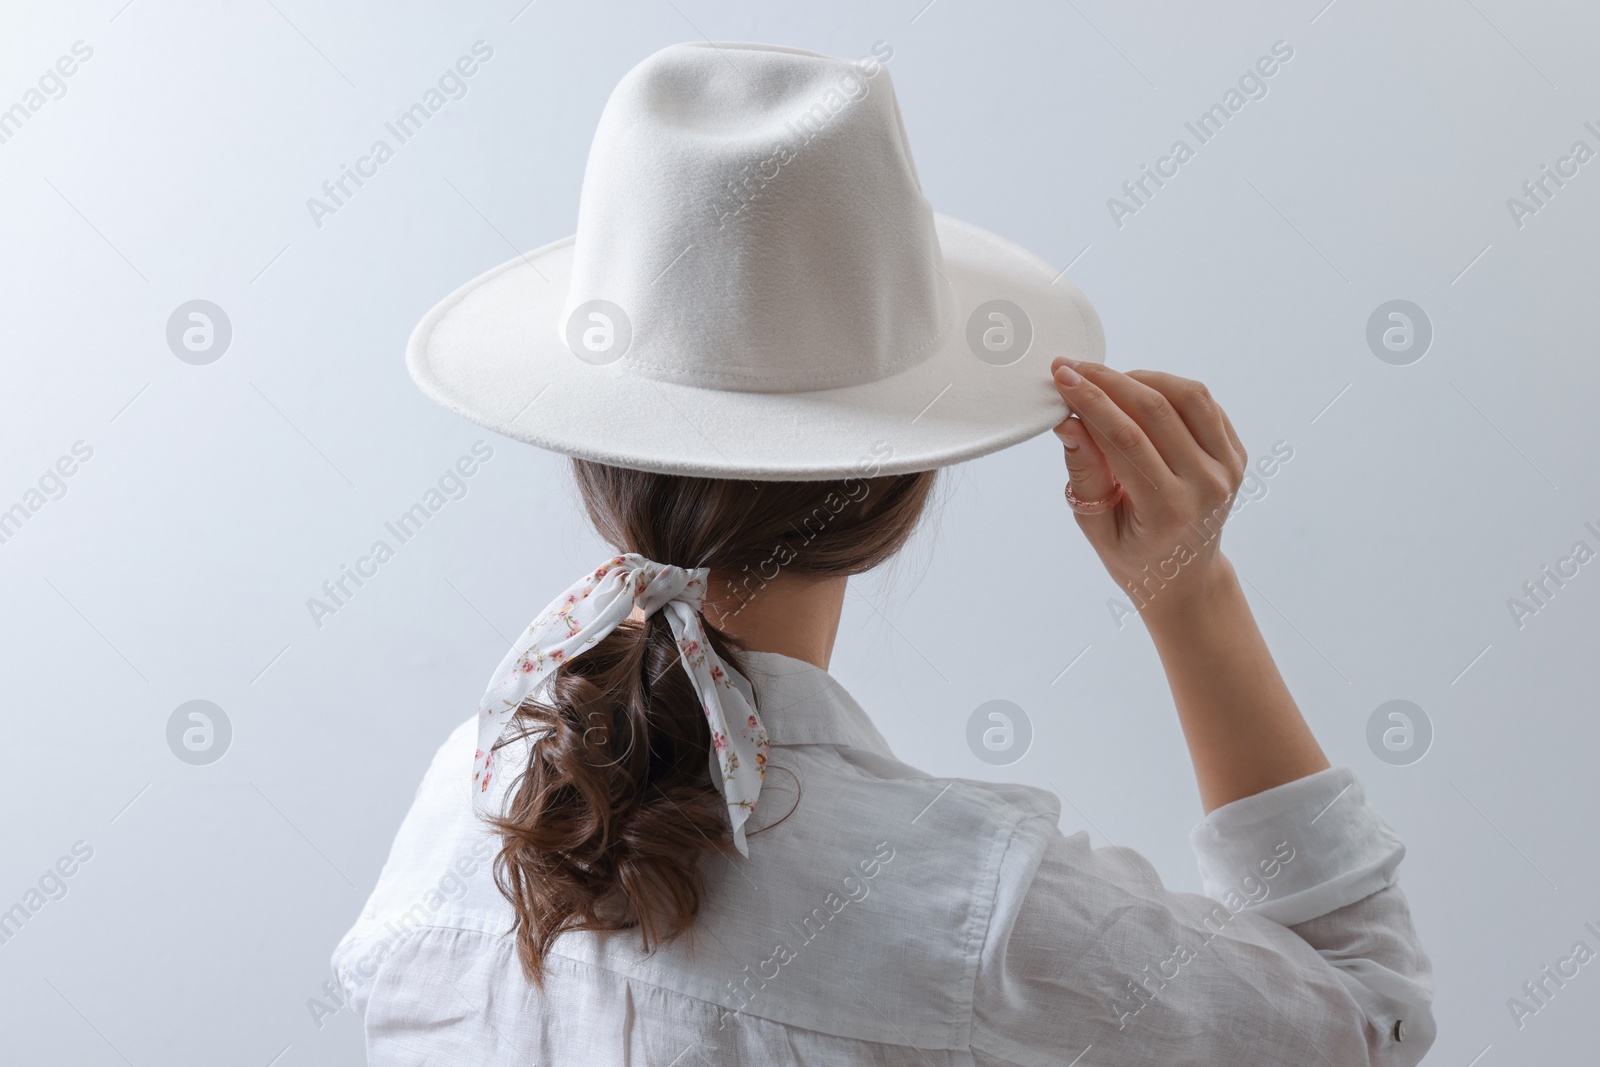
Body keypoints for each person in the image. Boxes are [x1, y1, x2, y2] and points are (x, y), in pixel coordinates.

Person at [335, 40, 1435, 1065]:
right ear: (900, 482)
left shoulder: (466, 805)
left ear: (594, 456)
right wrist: (1188, 591)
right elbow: (1366, 1019)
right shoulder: (970, 910)